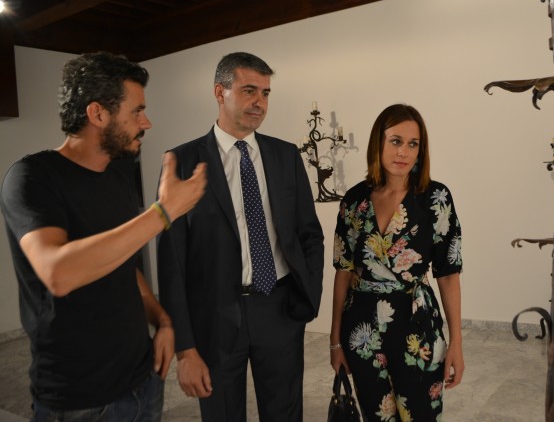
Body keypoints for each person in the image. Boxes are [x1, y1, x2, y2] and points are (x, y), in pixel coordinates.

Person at [0, 51, 207, 421]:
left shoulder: (117, 176)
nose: (147, 122)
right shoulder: (31, 177)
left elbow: (123, 265)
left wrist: (162, 319)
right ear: (97, 114)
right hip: (79, 399)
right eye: (136, 111)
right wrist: (163, 212)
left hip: (142, 382)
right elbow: (57, 273)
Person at [156, 51, 324, 421]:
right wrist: (186, 349)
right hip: (214, 317)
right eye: (249, 91)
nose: (259, 103)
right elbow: (172, 265)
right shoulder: (182, 163)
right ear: (220, 91)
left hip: (279, 308)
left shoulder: (285, 156)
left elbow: (310, 234)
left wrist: (308, 296)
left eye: (265, 93)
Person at [329, 103, 465, 421]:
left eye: (412, 144)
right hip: (361, 329)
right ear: (379, 142)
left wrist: (457, 342)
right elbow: (343, 271)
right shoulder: (354, 200)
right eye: (395, 141)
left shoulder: (436, 199)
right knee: (377, 416)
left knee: (420, 415)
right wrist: (335, 341)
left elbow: (448, 274)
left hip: (417, 327)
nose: (403, 152)